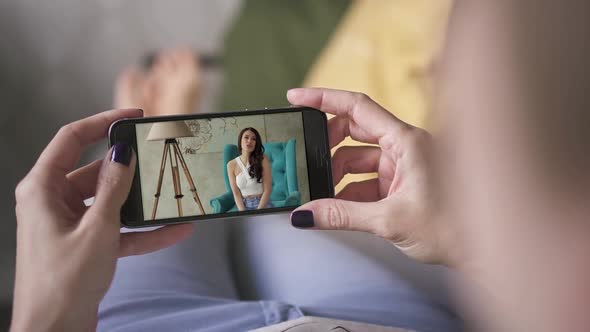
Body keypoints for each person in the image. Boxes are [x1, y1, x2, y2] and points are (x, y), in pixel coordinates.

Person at [12, 2, 590, 331]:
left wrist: (46, 315)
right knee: (260, 221)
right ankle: (174, 131)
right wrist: (468, 240)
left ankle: (173, 128)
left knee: (144, 212)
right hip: (364, 319)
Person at [227, 127, 273, 211]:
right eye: (246, 137)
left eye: (253, 139)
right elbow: (236, 193)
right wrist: (243, 213)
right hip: (243, 205)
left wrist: (258, 212)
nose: (249, 141)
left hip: (262, 204)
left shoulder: (262, 159)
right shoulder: (231, 165)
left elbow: (267, 190)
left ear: (256, 143)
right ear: (240, 140)